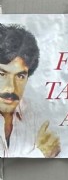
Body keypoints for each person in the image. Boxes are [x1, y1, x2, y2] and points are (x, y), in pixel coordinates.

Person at [0, 23, 60, 157]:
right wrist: (41, 153)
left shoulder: (37, 115)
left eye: (20, 76)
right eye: (2, 74)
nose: (11, 87)